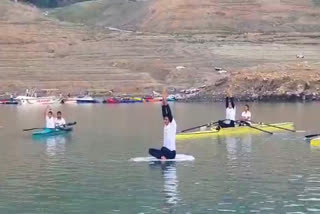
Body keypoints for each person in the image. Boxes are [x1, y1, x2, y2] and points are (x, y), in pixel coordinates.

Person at [149, 89, 177, 160]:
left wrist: (166, 104)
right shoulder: (165, 126)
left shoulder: (172, 125)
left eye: (166, 120)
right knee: (150, 150)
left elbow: (169, 114)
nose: (165, 121)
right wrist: (162, 106)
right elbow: (164, 114)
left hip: (171, 153)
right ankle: (162, 157)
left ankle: (163, 156)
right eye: (164, 120)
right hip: (165, 151)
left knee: (163, 149)